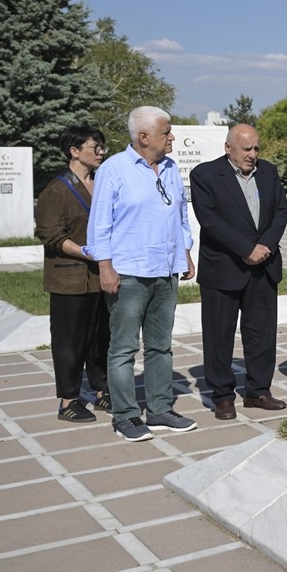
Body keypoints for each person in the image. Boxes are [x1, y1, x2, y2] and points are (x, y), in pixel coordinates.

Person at [87, 106, 195, 442]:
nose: (173, 136)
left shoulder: (171, 167)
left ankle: (160, 409)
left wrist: (186, 251)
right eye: (167, 131)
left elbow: (179, 214)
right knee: (123, 348)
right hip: (129, 272)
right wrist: (105, 266)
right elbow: (99, 223)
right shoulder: (114, 169)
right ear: (144, 136)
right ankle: (126, 416)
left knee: (160, 346)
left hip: (166, 269)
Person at [190, 124, 287, 419]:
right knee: (219, 336)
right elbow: (209, 219)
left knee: (261, 334)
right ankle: (222, 396)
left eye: (256, 148)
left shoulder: (268, 172)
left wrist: (264, 246)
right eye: (246, 149)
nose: (253, 154)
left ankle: (258, 391)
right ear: (228, 148)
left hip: (264, 266)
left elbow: (281, 212)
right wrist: (247, 249)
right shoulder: (205, 175)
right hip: (224, 269)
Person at [34, 125, 111, 423]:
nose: (101, 152)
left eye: (102, 146)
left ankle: (102, 390)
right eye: (96, 147)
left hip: (101, 277)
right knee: (69, 341)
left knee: (100, 338)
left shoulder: (102, 184)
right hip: (69, 279)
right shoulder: (55, 191)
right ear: (74, 151)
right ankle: (68, 399)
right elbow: (51, 235)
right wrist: (85, 251)